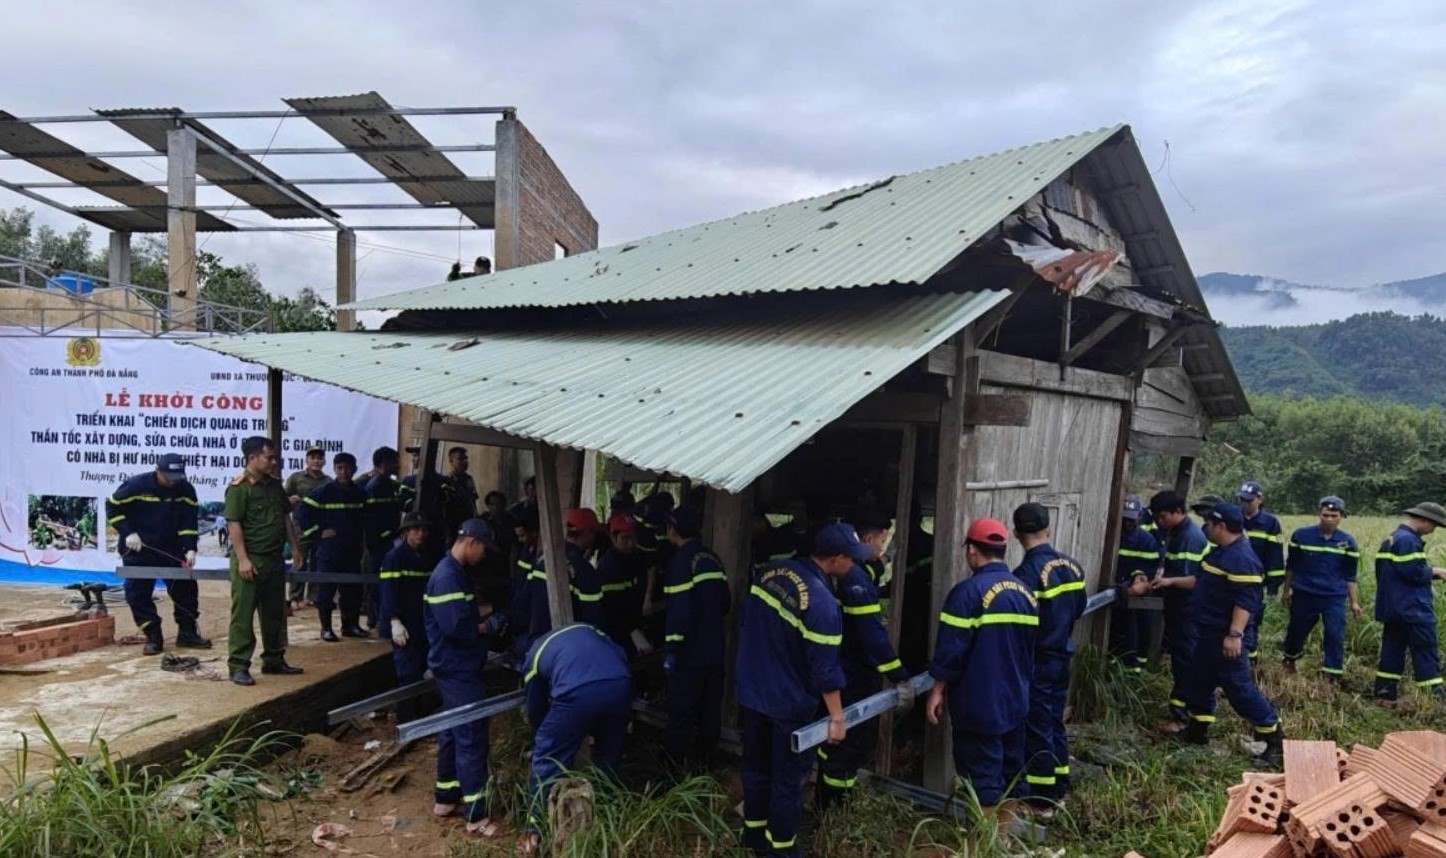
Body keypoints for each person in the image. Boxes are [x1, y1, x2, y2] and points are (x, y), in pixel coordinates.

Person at [736, 523, 863, 858]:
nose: (855, 566)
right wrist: (837, 718)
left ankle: (752, 839)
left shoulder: (772, 573)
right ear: (835, 559)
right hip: (787, 706)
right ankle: (782, 848)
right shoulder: (823, 605)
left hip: (752, 692)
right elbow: (825, 671)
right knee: (788, 782)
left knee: (755, 769)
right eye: (851, 559)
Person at [925, 518, 1037, 809]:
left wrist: (937, 691)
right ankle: (1009, 837)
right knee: (1012, 772)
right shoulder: (1025, 593)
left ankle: (987, 842)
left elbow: (951, 651)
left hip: (980, 704)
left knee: (982, 776)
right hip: (1016, 699)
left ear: (973, 550)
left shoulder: (966, 594)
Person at [815, 518, 910, 811]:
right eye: (881, 541)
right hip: (852, 675)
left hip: (831, 670)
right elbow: (872, 635)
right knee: (853, 743)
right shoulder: (855, 580)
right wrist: (898, 675)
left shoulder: (824, 577)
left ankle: (825, 798)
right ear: (837, 558)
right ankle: (835, 809)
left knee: (830, 743)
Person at [1177, 503, 1283, 766]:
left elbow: (1246, 601)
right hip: (1207, 633)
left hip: (1226, 636)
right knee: (1200, 681)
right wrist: (1169, 582)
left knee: (1239, 689)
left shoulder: (1242, 558)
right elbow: (1201, 581)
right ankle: (1197, 731)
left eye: (1209, 524)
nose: (1205, 528)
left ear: (1220, 526)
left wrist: (1234, 634)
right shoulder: (1220, 552)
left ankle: (1274, 740)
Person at [517, 623, 631, 856]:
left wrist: (552, 732)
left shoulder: (534, 655)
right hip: (620, 682)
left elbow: (536, 709)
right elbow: (621, 654)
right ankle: (608, 816)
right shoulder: (589, 630)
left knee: (547, 756)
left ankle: (533, 832)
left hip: (576, 691)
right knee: (609, 754)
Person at [424, 518, 503, 837]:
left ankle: (446, 797)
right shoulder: (447, 577)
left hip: (454, 666)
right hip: (457, 667)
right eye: (483, 549)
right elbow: (457, 627)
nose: (484, 556)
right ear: (471, 542)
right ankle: (476, 814)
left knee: (451, 731)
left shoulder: (455, 573)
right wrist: (487, 627)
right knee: (470, 734)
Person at [1011, 503, 1086, 806]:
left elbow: (1021, 625)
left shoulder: (1025, 575)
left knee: (1037, 723)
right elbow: (1079, 608)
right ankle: (1061, 779)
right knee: (1054, 719)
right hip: (1062, 654)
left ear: (1017, 534)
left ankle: (1043, 797)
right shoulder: (1072, 566)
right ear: (1049, 530)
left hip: (1038, 660)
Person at [107, 453, 209, 654]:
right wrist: (128, 532)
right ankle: (153, 635)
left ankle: (187, 633)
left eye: (177, 477)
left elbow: (189, 522)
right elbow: (112, 507)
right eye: (168, 477)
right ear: (158, 470)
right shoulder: (136, 486)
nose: (173, 482)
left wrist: (190, 548)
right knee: (137, 594)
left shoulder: (186, 489)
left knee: (186, 590)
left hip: (172, 549)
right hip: (139, 549)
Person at [225, 436, 305, 686]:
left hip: (273, 560)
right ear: (252, 458)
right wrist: (243, 560)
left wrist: (295, 547)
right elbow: (234, 525)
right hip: (251, 561)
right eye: (269, 457)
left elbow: (285, 518)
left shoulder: (274, 486)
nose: (273, 462)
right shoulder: (239, 488)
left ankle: (274, 660)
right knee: (243, 615)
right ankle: (238, 665)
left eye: (274, 457)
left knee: (274, 614)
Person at [661, 506, 731, 768]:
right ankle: (705, 769)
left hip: (690, 655)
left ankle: (672, 773)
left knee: (681, 714)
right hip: (715, 651)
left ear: (672, 529)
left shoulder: (680, 562)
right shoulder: (712, 558)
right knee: (709, 712)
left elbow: (679, 612)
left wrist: (671, 650)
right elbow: (725, 602)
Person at [1372, 502, 1446, 704]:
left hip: (1393, 608)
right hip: (1413, 609)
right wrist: (1437, 571)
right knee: (1425, 649)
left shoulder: (1392, 538)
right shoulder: (1408, 540)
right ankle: (1434, 696)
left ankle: (1384, 694)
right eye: (1434, 525)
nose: (1433, 531)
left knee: (1392, 650)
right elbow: (1412, 572)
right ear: (1424, 520)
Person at [1281, 496, 1360, 682]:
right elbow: (1291, 567)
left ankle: (1331, 675)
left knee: (1334, 634)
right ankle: (1289, 661)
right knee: (1296, 630)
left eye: (1334, 515)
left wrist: (1354, 602)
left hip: (1334, 597)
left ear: (1341, 516)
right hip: (1304, 594)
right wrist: (1286, 591)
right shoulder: (1301, 535)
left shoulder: (1348, 542)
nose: (1329, 519)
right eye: (1326, 515)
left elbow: (1350, 575)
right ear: (1319, 514)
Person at [1147, 491, 1207, 722]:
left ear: (1178, 512)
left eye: (1163, 517)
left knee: (1186, 655)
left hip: (1189, 608)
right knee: (1180, 654)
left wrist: (1168, 581)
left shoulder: (1190, 538)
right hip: (1177, 606)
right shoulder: (1173, 532)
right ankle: (1180, 702)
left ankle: (1188, 707)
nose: (1159, 522)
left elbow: (1195, 580)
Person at [298, 452, 369, 641]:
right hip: (329, 551)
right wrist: (318, 532)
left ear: (354, 469)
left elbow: (367, 521)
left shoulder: (361, 494)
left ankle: (350, 626)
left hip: (352, 551)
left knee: (352, 590)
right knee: (326, 591)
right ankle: (326, 629)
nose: (344, 472)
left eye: (347, 468)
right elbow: (302, 513)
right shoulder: (324, 491)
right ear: (335, 469)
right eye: (340, 468)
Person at [379, 514, 435, 722]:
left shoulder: (426, 556)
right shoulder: (395, 557)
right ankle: (406, 719)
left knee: (423, 667)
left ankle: (421, 715)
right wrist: (394, 621)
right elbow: (388, 592)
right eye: (415, 529)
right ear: (405, 532)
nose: (420, 533)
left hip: (422, 623)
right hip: (404, 624)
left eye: (423, 529)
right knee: (407, 672)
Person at [1111, 495, 1161, 675]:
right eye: (1124, 519)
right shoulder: (1112, 536)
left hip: (1137, 596)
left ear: (1139, 516)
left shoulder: (1147, 541)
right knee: (1115, 634)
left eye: (1131, 519)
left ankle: (1135, 672)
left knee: (1138, 633)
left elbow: (1150, 569)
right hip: (1117, 593)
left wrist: (1140, 576)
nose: (1127, 524)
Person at [1238, 481, 1285, 657]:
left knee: (1252, 620)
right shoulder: (1234, 517)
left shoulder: (1270, 523)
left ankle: (1251, 657)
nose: (1245, 504)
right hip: (1233, 578)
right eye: (1242, 500)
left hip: (1256, 582)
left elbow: (1275, 555)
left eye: (1249, 500)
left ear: (1259, 499)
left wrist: (1273, 585)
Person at [363, 447, 405, 630]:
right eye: (394, 461)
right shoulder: (374, 487)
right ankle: (376, 618)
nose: (398, 465)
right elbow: (371, 520)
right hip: (378, 544)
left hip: (390, 541)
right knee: (377, 582)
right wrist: (381, 538)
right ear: (384, 463)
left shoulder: (393, 486)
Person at [284, 447, 331, 608]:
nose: (316, 461)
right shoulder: (296, 479)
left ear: (324, 461)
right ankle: (295, 597)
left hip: (320, 528)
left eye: (320, 458)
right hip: (300, 528)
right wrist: (290, 499)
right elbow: (282, 499)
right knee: (300, 560)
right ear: (306, 460)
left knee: (317, 562)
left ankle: (314, 596)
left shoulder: (328, 482)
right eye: (313, 458)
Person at [597, 513, 649, 653]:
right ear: (613, 538)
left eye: (633, 537)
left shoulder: (638, 559)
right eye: (625, 538)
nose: (631, 543)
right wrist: (632, 631)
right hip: (618, 635)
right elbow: (612, 607)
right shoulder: (608, 567)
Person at [440, 447, 480, 540]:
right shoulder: (447, 480)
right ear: (451, 461)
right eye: (460, 459)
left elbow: (473, 501)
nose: (464, 461)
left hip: (468, 521)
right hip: (453, 523)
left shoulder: (469, 479)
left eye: (465, 458)